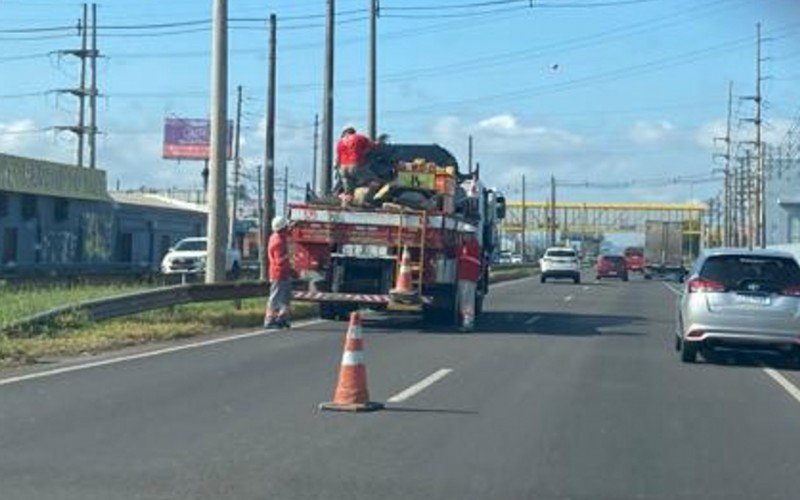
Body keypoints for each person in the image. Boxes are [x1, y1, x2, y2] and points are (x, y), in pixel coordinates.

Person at [264, 216, 292, 329]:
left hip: (283, 273)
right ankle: (270, 318)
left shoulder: (275, 237)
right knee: (275, 297)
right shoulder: (278, 242)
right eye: (286, 227)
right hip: (278, 273)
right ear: (282, 228)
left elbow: (287, 233)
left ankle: (282, 318)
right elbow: (279, 260)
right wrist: (289, 255)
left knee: (285, 297)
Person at [336, 127, 376, 197]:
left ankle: (347, 204)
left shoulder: (340, 141)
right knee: (374, 181)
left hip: (343, 167)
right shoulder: (359, 137)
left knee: (348, 191)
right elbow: (373, 146)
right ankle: (368, 199)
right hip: (355, 165)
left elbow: (338, 158)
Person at [456, 232, 482, 332]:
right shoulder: (467, 246)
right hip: (464, 276)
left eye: (465, 235)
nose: (463, 236)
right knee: (464, 300)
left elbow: (462, 255)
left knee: (467, 300)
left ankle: (468, 322)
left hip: (469, 276)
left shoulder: (471, 246)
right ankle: (466, 321)